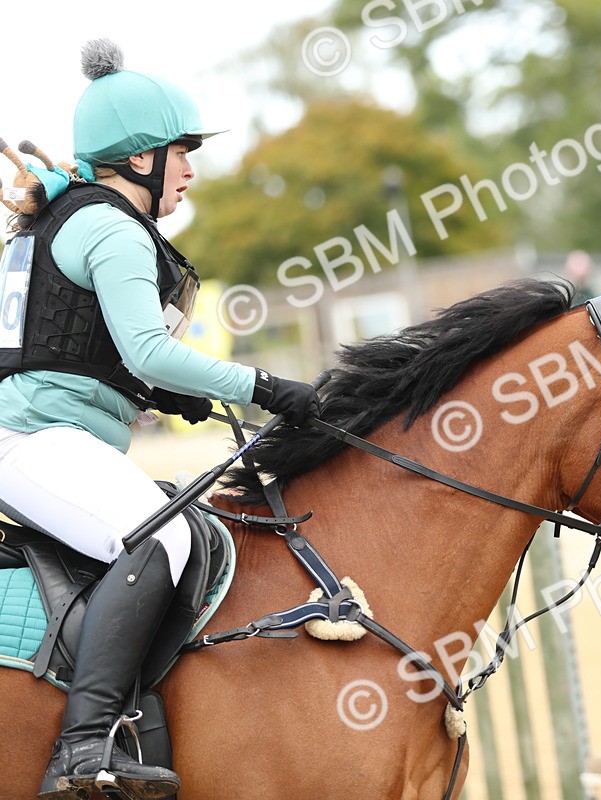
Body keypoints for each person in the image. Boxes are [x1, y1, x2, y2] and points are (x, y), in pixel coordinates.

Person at [0, 40, 319, 800]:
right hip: (32, 442)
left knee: (176, 525)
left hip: (52, 435)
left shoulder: (71, 218)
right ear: (140, 157)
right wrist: (268, 387)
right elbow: (148, 347)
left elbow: (88, 351)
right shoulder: (109, 226)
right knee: (162, 536)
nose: (190, 168)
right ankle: (83, 748)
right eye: (182, 151)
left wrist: (167, 395)